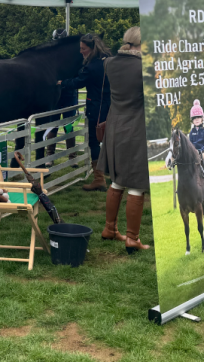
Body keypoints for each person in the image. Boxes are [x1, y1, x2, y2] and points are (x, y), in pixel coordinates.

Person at [97, 27, 150, 253]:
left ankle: (109, 229)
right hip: (136, 127)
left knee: (117, 181)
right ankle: (132, 238)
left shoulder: (109, 63)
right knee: (136, 184)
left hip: (114, 126)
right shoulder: (145, 67)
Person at [59, 33, 111, 191]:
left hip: (96, 108)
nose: (81, 51)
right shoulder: (109, 61)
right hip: (112, 106)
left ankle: (99, 179)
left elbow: (78, 82)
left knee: (94, 142)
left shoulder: (92, 67)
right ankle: (113, 174)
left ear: (92, 48)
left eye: (83, 49)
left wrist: (62, 83)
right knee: (110, 140)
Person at [44, 29, 79, 166]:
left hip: (69, 94)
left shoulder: (72, 57)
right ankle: (50, 156)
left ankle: (72, 156)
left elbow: (78, 75)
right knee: (53, 125)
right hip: (55, 95)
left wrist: (65, 82)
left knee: (68, 125)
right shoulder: (49, 57)